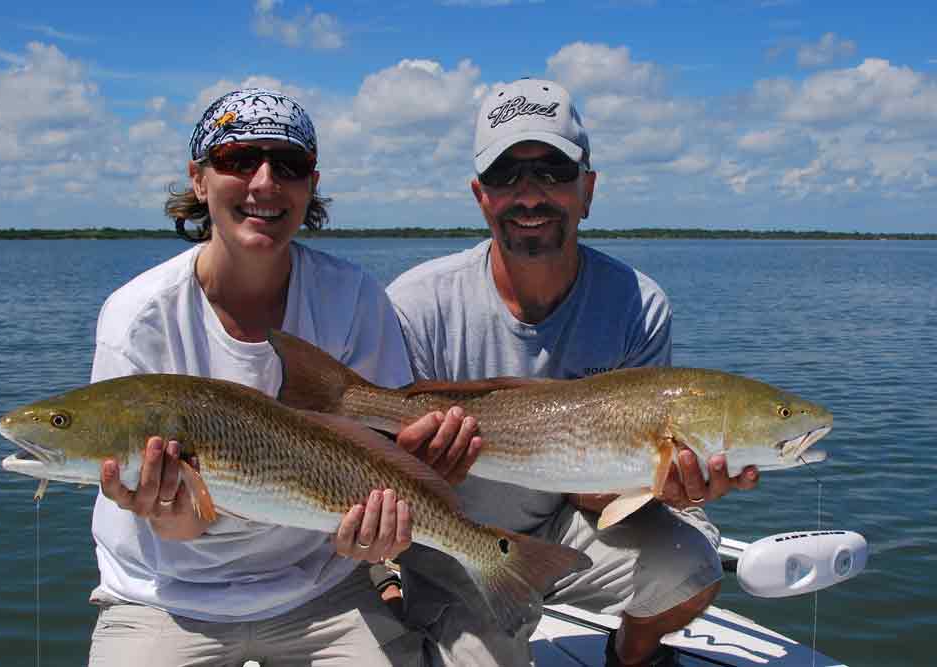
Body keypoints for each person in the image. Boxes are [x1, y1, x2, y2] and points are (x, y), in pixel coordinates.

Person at [386, 78, 760, 667]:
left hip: (566, 520)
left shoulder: (639, 303)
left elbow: (596, 490)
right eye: (506, 175)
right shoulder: (415, 304)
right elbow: (377, 472)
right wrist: (413, 473)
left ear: (587, 190)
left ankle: (633, 655)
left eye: (553, 172)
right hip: (452, 540)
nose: (530, 194)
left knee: (690, 566)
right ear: (480, 195)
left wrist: (660, 482)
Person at [86, 88, 429, 666]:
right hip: (163, 597)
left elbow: (383, 455)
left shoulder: (354, 299)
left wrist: (382, 541)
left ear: (310, 185)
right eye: (239, 159)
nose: (265, 182)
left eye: (288, 165)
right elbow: (174, 525)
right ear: (198, 179)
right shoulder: (138, 317)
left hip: (323, 590)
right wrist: (173, 517)